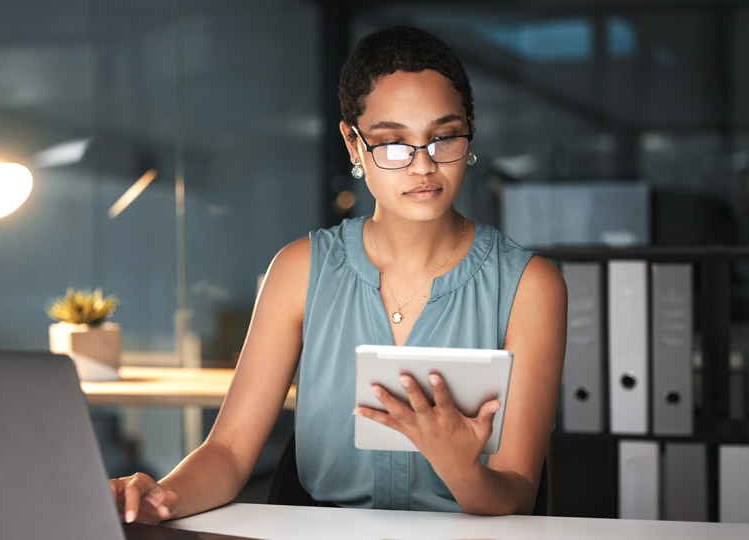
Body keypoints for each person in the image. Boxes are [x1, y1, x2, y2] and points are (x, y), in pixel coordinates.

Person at [110, 25, 566, 520]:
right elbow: (229, 453)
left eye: (443, 138)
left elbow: (516, 494)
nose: (422, 166)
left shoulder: (530, 285)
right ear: (353, 143)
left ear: (469, 130)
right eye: (393, 143)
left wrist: (462, 468)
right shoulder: (299, 270)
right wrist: (162, 496)